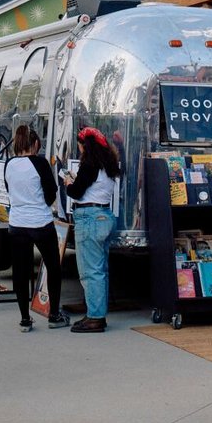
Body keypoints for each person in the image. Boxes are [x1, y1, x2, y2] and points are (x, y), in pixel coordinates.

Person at [3, 125, 68, 331]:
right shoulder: (39, 163)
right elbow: (50, 192)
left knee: (21, 272)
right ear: (35, 143)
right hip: (40, 221)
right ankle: (54, 314)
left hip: (17, 222)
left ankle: (24, 318)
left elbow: (8, 189)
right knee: (53, 267)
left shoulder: (9, 164)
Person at [63, 127, 121, 333]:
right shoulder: (109, 164)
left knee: (90, 271)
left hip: (89, 218)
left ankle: (95, 317)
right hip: (104, 216)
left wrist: (68, 182)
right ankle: (98, 313)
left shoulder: (89, 165)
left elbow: (76, 192)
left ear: (84, 146)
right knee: (101, 270)